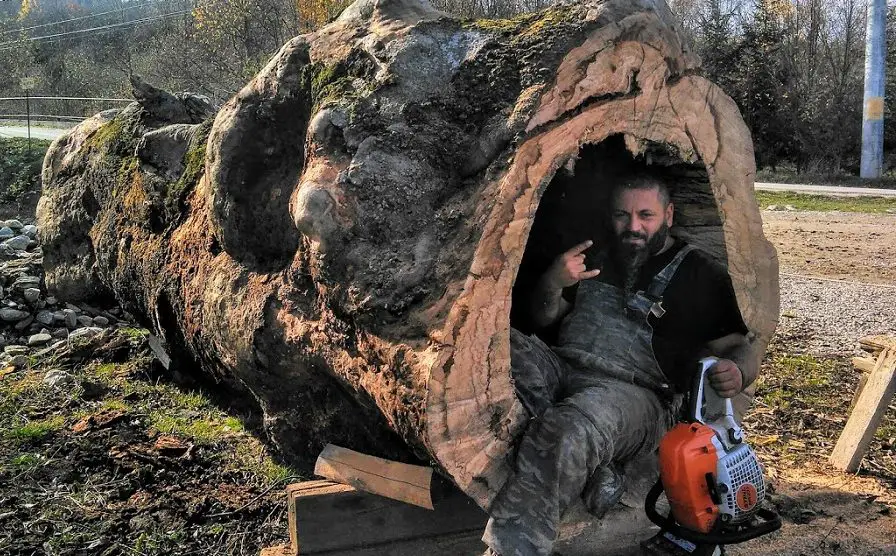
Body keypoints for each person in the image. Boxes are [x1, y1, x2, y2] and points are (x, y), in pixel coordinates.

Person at [481, 169, 756, 556]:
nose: (633, 227)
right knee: (496, 348)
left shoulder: (701, 275)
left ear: (669, 215)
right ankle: (595, 464)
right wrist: (553, 282)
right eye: (621, 216)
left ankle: (512, 550)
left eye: (646, 215)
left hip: (636, 396)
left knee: (569, 427)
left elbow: (738, 345)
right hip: (563, 368)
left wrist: (739, 370)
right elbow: (544, 318)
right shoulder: (594, 254)